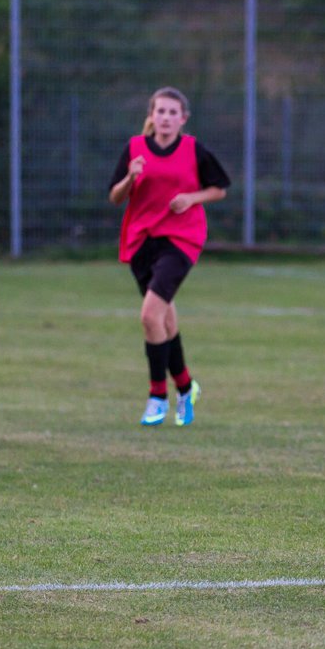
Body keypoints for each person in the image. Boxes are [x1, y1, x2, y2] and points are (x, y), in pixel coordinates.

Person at [108, 86, 231, 427]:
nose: (165, 117)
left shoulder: (194, 150)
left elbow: (220, 188)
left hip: (181, 239)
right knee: (163, 320)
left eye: (172, 112)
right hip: (141, 243)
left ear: (183, 119)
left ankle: (157, 397)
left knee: (150, 316)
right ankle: (186, 387)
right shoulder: (135, 149)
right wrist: (130, 177)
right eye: (159, 111)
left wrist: (191, 198)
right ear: (152, 115)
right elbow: (115, 197)